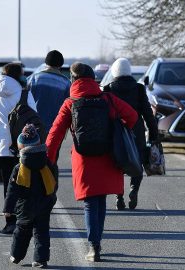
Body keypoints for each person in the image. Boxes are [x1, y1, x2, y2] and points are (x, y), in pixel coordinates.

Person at [46, 62, 137, 262]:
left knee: (89, 203)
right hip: (107, 156)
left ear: (73, 80)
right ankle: (97, 244)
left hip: (83, 159)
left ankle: (92, 246)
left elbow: (55, 134)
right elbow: (132, 115)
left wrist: (48, 160)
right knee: (101, 200)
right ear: (92, 78)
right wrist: (119, 128)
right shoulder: (108, 99)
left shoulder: (70, 103)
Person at [0, 63, 37, 234]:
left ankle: (10, 222)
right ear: (17, 76)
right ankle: (24, 219)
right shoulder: (24, 94)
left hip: (2, 150)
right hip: (23, 147)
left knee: (8, 188)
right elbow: (35, 117)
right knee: (25, 184)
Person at [103, 58, 158, 210]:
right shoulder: (139, 89)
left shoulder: (108, 89)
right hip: (136, 131)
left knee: (117, 164)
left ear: (114, 71)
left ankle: (119, 196)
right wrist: (154, 135)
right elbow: (148, 113)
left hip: (115, 133)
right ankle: (134, 189)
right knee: (137, 162)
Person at [4, 124, 58, 269]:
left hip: (24, 206)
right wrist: (51, 199)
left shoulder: (19, 167)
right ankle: (40, 260)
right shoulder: (47, 163)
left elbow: (12, 189)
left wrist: (8, 208)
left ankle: (16, 255)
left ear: (21, 146)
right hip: (43, 204)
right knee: (42, 232)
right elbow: (54, 183)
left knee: (21, 231)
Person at [27, 50, 70, 134]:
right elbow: (68, 107)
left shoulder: (33, 78)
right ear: (61, 64)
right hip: (56, 127)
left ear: (46, 63)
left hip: (33, 125)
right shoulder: (66, 83)